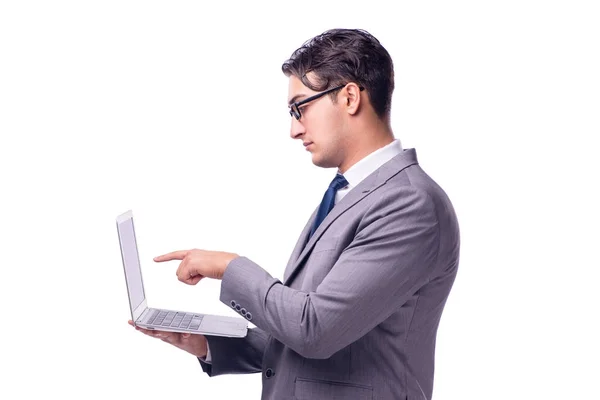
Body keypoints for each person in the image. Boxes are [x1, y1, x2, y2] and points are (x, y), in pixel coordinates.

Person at [129, 28, 460, 400]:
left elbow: (314, 330)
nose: (294, 128)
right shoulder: (347, 194)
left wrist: (230, 266)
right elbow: (309, 335)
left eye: (300, 107)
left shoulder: (410, 205)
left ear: (350, 97)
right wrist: (205, 344)